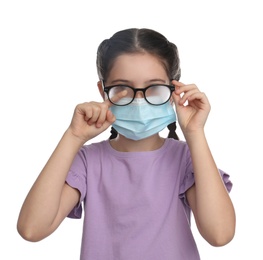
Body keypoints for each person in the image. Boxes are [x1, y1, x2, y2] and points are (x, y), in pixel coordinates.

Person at [17, 28, 236, 260]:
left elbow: (219, 234)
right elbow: (32, 229)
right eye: (122, 87)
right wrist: (73, 136)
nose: (139, 100)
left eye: (154, 88)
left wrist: (195, 133)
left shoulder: (186, 159)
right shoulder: (88, 161)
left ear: (174, 91)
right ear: (104, 91)